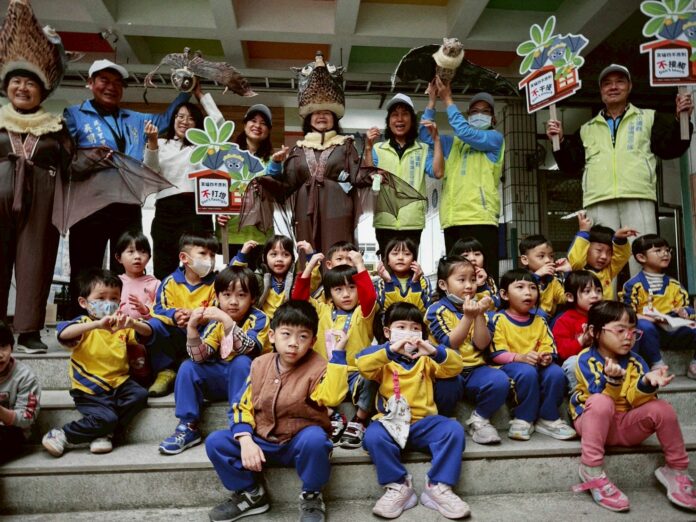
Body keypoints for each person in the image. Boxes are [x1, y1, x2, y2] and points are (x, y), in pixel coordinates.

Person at [64, 59, 190, 313]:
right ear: (90, 83)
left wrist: (186, 90)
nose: (111, 87)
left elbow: (166, 119)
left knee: (128, 263)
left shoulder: (135, 119)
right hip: (90, 203)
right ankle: (80, 320)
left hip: (127, 202)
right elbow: (64, 156)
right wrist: (88, 158)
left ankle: (123, 316)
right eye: (104, 80)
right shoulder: (74, 115)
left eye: (117, 83)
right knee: (86, 264)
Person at [205, 300, 348, 522]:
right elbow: (242, 405)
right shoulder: (259, 364)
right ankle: (252, 495)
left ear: (313, 341)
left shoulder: (318, 367)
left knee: (316, 439)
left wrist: (338, 356)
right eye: (286, 334)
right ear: (272, 336)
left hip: (297, 444)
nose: (293, 343)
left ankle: (312, 495)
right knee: (216, 442)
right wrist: (246, 440)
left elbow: (332, 397)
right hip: (261, 442)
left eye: (303, 337)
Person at [545, 64, 693, 275]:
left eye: (619, 82)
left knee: (644, 255)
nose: (613, 87)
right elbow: (570, 165)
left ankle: (645, 296)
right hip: (598, 199)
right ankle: (601, 297)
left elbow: (671, 148)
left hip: (638, 195)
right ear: (601, 91)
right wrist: (558, 141)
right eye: (607, 83)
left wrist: (681, 119)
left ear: (629, 86)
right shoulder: (587, 129)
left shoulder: (648, 118)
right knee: (600, 261)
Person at [570, 301, 696, 512]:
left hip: (625, 425)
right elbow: (597, 399)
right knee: (601, 402)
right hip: (594, 424)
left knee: (662, 408)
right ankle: (591, 469)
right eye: (620, 330)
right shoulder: (586, 359)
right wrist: (613, 381)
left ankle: (676, 469)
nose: (628, 336)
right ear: (594, 331)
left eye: (632, 330)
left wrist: (646, 382)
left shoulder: (636, 361)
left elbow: (634, 400)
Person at [357, 303, 470, 519]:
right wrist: (390, 351)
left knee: (453, 430)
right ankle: (399, 486)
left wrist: (434, 351)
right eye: (401, 327)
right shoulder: (383, 358)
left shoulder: (426, 359)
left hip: (423, 424)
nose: (409, 332)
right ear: (388, 332)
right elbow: (362, 364)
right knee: (373, 436)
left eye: (415, 328)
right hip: (391, 423)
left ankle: (438, 487)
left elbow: (456, 367)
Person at [0, 64, 74, 353]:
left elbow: (71, 164)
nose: (22, 88)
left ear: (42, 92)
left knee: (36, 263)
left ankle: (29, 332)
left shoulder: (55, 126)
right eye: (16, 81)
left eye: (30, 83)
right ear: (6, 87)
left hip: (42, 203)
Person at [269, 54, 372, 255]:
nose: (321, 116)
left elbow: (357, 176)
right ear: (308, 119)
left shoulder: (346, 145)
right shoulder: (298, 149)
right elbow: (285, 186)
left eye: (327, 112)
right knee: (306, 254)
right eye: (316, 112)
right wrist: (274, 166)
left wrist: (372, 172)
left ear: (335, 118)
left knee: (338, 253)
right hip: (304, 210)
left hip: (338, 209)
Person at [159, 266, 269, 455]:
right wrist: (192, 330)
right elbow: (200, 356)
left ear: (252, 298)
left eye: (241, 295)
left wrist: (227, 321)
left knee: (241, 361)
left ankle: (241, 426)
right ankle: (188, 426)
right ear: (217, 297)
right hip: (224, 379)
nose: (233, 301)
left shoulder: (259, 318)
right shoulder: (215, 322)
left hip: (252, 385)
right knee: (188, 366)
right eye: (226, 295)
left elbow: (247, 348)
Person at [42, 269, 151, 457]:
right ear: (83, 302)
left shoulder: (121, 325)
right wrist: (97, 325)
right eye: (101, 298)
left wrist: (132, 323)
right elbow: (63, 334)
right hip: (90, 389)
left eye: (114, 298)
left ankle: (104, 433)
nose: (108, 303)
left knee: (140, 395)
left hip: (120, 383)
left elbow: (148, 332)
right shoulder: (83, 324)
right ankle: (63, 434)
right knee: (107, 418)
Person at [420, 77, 505, 283]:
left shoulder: (495, 139)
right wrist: (432, 101)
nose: (479, 115)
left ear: (493, 119)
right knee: (456, 280)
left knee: (485, 279)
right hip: (454, 220)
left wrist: (447, 98)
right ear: (467, 116)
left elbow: (465, 131)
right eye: (474, 111)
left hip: (481, 219)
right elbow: (425, 135)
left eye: (485, 111)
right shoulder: (453, 144)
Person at [292, 250, 378, 449]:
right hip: (326, 375)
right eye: (338, 289)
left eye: (351, 288)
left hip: (355, 375)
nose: (346, 294)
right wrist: (310, 266)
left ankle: (359, 420)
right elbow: (299, 299)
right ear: (329, 293)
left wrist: (359, 264)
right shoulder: (322, 310)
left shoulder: (362, 313)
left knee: (373, 374)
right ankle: (333, 415)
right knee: (302, 378)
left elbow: (369, 296)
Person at [426, 256, 509, 445]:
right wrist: (468, 317)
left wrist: (479, 315)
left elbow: (482, 344)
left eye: (472, 279)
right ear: (443, 284)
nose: (469, 285)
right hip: (447, 370)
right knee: (447, 385)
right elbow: (451, 343)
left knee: (500, 380)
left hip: (475, 370)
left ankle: (480, 419)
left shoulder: (480, 307)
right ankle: (443, 421)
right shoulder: (436, 310)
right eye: (461, 280)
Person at [143, 83, 221, 280]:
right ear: (173, 119)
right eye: (180, 116)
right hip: (166, 210)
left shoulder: (203, 146)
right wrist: (152, 142)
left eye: (191, 118)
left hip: (196, 210)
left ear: (198, 123)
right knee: (164, 267)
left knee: (199, 266)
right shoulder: (160, 143)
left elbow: (219, 123)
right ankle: (165, 299)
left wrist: (199, 94)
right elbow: (150, 171)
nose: (185, 121)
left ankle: (199, 299)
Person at [488, 269, 576, 441]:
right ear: (504, 294)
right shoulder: (499, 319)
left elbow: (548, 346)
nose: (528, 292)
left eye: (533, 288)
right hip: (510, 366)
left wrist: (546, 356)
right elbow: (496, 354)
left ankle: (548, 418)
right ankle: (523, 418)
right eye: (520, 287)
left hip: (537, 365)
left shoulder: (540, 321)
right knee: (527, 372)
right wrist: (520, 358)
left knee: (556, 372)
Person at [365, 93, 443, 254]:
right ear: (388, 121)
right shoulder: (378, 149)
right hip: (385, 220)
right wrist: (367, 148)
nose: (399, 119)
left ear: (412, 120)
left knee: (410, 265)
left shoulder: (423, 149)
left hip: (412, 221)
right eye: (395, 115)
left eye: (405, 114)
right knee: (387, 265)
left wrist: (436, 140)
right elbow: (369, 176)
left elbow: (438, 172)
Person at [217, 104, 289, 268]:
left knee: (258, 279)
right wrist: (218, 212)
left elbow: (274, 186)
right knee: (233, 280)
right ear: (244, 124)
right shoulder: (228, 156)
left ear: (268, 130)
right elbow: (218, 187)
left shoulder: (272, 160)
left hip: (261, 235)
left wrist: (276, 163)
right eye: (253, 121)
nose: (257, 125)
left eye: (263, 123)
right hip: (231, 232)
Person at [147, 233, 218, 397]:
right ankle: (165, 371)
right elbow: (158, 309)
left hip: (203, 334)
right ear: (184, 258)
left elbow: (219, 308)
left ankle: (196, 369)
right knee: (154, 325)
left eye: (212, 255)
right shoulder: (170, 281)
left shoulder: (217, 282)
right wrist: (175, 315)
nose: (209, 259)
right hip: (178, 331)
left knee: (218, 325)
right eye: (203, 253)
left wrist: (196, 316)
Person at [622, 234, 696, 376]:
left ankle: (694, 365)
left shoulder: (674, 284)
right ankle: (657, 364)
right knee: (643, 326)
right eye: (658, 250)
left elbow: (688, 308)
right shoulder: (633, 285)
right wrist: (652, 319)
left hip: (673, 330)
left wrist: (684, 312)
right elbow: (627, 314)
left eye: (667, 250)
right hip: (648, 332)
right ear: (641, 257)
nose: (665, 254)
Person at [114, 231, 160, 387]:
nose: (137, 257)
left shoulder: (154, 284)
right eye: (131, 251)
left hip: (143, 334)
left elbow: (160, 311)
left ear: (149, 257)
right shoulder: (114, 282)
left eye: (142, 251)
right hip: (118, 331)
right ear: (119, 257)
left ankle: (143, 377)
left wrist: (145, 310)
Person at [230, 235, 308, 321]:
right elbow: (234, 279)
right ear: (264, 258)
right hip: (260, 324)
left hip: (290, 323)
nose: (279, 259)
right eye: (274, 254)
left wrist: (310, 255)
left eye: (286, 255)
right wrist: (242, 255)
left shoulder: (297, 280)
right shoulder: (257, 278)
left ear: (292, 259)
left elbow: (313, 284)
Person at [551, 271, 603, 392]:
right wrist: (582, 340)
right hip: (579, 363)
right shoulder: (564, 320)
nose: (595, 295)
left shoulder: (605, 316)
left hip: (602, 360)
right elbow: (562, 352)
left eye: (598, 291)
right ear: (570, 296)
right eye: (587, 291)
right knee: (572, 363)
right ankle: (578, 397)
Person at [567, 211, 635, 299]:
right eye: (599, 250)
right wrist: (583, 232)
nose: (604, 256)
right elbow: (576, 261)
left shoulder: (608, 271)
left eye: (609, 252)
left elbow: (621, 257)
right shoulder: (578, 270)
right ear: (586, 249)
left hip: (605, 308)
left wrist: (619, 240)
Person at [0, 320, 41, 464]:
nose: (0, 354)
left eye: (4, 346)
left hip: (13, 432)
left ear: (12, 347)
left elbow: (27, 418)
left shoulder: (25, 377)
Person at [518, 234, 570, 317]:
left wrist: (568, 273)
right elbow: (520, 300)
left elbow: (565, 299)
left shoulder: (552, 280)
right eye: (541, 256)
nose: (548, 260)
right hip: (527, 319)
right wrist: (536, 276)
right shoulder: (519, 279)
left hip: (548, 320)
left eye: (551, 256)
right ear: (525, 260)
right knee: (539, 313)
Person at [449, 237, 498, 307]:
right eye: (465, 255)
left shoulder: (488, 280)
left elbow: (495, 306)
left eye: (477, 254)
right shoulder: (453, 281)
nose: (472, 259)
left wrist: (482, 285)